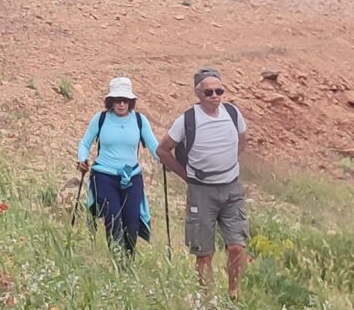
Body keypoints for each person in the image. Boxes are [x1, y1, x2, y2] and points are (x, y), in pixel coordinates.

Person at [163, 66, 249, 295]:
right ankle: (207, 302)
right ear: (197, 94)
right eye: (208, 92)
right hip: (201, 191)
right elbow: (163, 150)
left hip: (231, 188)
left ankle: (234, 294)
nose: (214, 96)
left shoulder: (233, 113)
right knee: (203, 251)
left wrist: (228, 164)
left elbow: (242, 140)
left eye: (219, 91)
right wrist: (187, 176)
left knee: (236, 245)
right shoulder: (187, 120)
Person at [74, 77, 158, 254]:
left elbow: (154, 146)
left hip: (132, 177)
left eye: (125, 100)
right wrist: (82, 159)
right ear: (110, 101)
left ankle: (128, 261)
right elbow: (85, 143)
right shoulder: (101, 119)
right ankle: (117, 260)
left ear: (131, 102)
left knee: (132, 222)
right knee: (113, 218)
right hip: (104, 175)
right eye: (117, 100)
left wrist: (166, 160)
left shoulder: (139, 120)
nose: (121, 104)